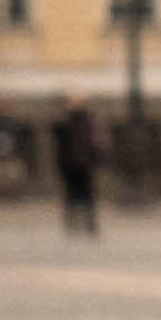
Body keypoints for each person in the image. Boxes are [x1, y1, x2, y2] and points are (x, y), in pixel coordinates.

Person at [51, 96, 101, 237]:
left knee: (80, 195)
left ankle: (84, 222)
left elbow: (93, 143)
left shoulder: (86, 123)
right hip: (75, 165)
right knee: (77, 195)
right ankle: (79, 222)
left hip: (79, 165)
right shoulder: (69, 123)